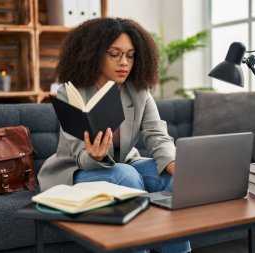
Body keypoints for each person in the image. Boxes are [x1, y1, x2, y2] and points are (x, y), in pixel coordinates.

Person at [38, 17, 191, 253]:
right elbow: (79, 155)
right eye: (115, 54)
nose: (124, 63)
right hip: (76, 170)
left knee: (169, 180)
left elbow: (157, 136)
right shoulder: (71, 92)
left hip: (123, 165)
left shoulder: (139, 91)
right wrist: (96, 156)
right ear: (96, 53)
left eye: (130, 55)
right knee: (126, 175)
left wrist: (176, 166)